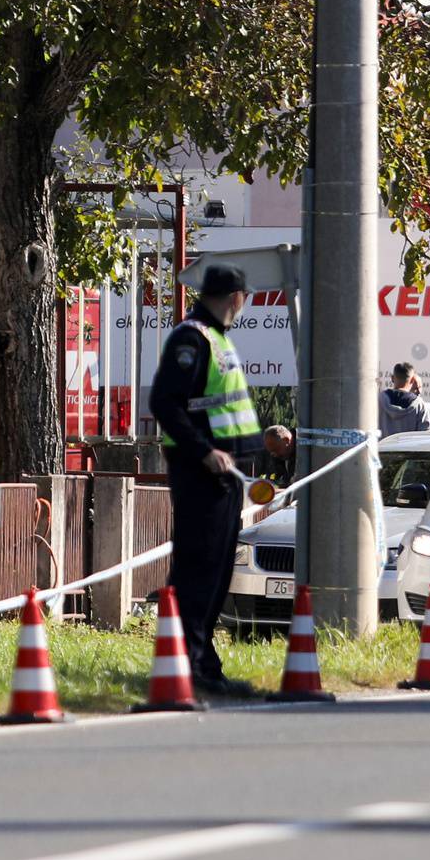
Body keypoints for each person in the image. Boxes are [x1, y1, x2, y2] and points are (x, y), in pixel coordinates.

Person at [149, 264, 265, 698]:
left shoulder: (214, 339)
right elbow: (164, 402)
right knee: (199, 571)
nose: (245, 303)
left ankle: (203, 664)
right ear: (235, 296)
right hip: (202, 473)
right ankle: (188, 666)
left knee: (215, 573)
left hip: (224, 476)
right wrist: (203, 451)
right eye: (245, 296)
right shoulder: (192, 338)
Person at [378, 362, 430, 436]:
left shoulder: (378, 400)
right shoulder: (419, 405)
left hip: (382, 447)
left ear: (392, 378)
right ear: (412, 380)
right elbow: (425, 435)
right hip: (410, 447)